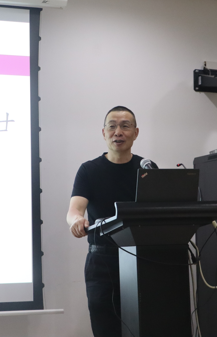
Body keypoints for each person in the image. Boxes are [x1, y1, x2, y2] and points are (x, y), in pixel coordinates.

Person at [67, 106, 146, 337]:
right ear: (104, 133)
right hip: (102, 262)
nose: (118, 132)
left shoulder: (146, 169)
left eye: (125, 126)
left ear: (135, 133)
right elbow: (74, 210)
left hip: (141, 260)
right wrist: (77, 220)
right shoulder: (89, 170)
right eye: (112, 126)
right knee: (106, 329)